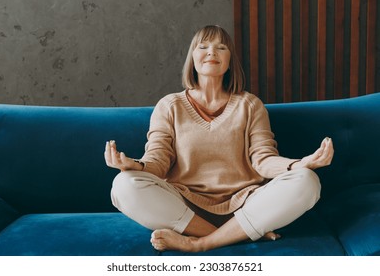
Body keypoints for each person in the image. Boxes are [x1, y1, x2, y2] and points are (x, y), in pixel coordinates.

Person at [104, 25, 334, 252]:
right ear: (192, 58)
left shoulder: (250, 105)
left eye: (221, 47)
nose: (212, 52)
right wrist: (134, 165)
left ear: (230, 60)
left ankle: (200, 243)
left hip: (247, 204)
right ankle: (239, 235)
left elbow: (263, 160)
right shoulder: (169, 105)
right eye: (203, 46)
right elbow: (159, 161)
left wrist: (299, 164)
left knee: (307, 180)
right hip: (185, 206)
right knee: (123, 185)